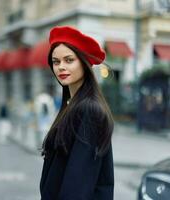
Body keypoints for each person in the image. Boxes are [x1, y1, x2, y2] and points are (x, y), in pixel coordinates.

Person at [39, 26, 114, 200]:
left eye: (69, 60)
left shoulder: (89, 110)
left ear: (83, 63)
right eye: (56, 62)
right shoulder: (71, 105)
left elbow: (78, 183)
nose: (61, 67)